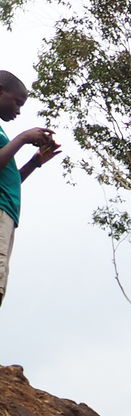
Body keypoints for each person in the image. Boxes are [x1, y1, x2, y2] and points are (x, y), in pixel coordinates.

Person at [0, 71, 60, 308]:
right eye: (17, 102)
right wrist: (24, 137)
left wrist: (35, 163)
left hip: (7, 215)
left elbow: (7, 181)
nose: (18, 111)